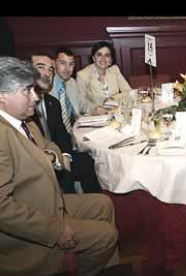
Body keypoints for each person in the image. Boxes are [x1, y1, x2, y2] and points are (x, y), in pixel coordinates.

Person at [0, 56, 118, 276]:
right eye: (27, 90)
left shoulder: (24, 122)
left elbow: (51, 145)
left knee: (104, 203)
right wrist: (55, 231)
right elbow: (2, 209)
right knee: (107, 235)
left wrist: (53, 158)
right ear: (2, 96)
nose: (35, 97)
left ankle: (100, 267)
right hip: (30, 226)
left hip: (49, 201)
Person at [30, 52, 102, 193]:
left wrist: (66, 156)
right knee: (67, 176)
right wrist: (57, 159)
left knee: (89, 161)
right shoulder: (23, 106)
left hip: (61, 149)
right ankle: (70, 207)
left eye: (50, 69)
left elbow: (61, 133)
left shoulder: (53, 102)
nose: (47, 73)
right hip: (38, 162)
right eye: (40, 67)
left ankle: (92, 201)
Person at [76, 41, 132, 113]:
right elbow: (81, 103)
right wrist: (94, 109)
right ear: (93, 58)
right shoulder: (83, 75)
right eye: (99, 55)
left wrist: (113, 98)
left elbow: (129, 92)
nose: (103, 58)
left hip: (117, 113)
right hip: (96, 117)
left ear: (111, 60)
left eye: (107, 55)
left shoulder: (115, 70)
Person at [51, 47, 105, 118]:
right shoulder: (48, 86)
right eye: (63, 63)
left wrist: (94, 109)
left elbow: (81, 104)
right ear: (54, 64)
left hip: (77, 124)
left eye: (71, 64)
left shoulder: (71, 82)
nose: (67, 68)